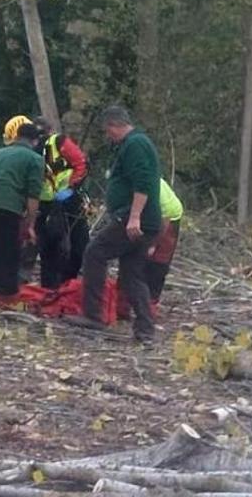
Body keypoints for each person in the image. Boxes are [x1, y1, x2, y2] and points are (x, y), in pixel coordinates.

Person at [80, 105, 161, 343]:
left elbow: (143, 182)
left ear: (115, 125)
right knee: (132, 273)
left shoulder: (135, 144)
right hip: (144, 220)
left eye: (108, 131)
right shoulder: (136, 143)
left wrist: (134, 216)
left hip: (134, 218)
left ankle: (94, 315)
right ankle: (145, 330)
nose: (108, 136)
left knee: (95, 253)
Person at [0, 121, 44, 297]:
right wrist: (31, 224)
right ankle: (7, 291)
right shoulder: (34, 159)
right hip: (9, 205)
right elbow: (33, 195)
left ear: (16, 137)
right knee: (8, 248)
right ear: (35, 141)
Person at [33, 117, 90, 289]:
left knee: (78, 245)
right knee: (47, 248)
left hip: (69, 200)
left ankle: (68, 282)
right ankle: (49, 287)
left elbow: (81, 164)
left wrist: (71, 188)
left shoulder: (59, 142)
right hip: (45, 203)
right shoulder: (31, 149)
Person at [147, 178, 183, 302]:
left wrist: (153, 244)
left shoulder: (157, 190)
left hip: (169, 217)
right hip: (148, 214)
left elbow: (165, 220)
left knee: (159, 260)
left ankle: (151, 302)